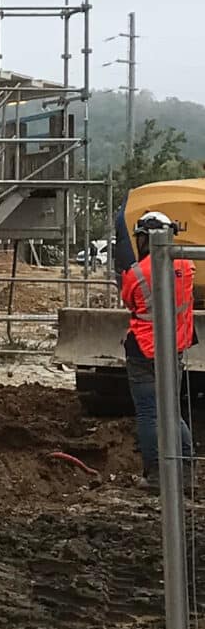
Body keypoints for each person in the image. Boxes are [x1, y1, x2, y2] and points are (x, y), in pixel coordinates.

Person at [115, 206, 195, 481]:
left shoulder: (136, 273)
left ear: (144, 239)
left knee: (149, 411)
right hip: (175, 347)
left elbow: (129, 301)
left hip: (143, 350)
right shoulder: (187, 266)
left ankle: (155, 475)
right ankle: (185, 470)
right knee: (172, 410)